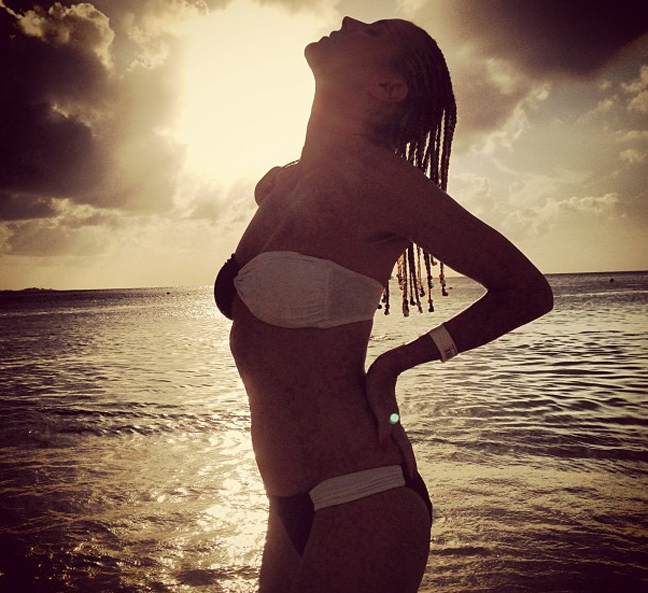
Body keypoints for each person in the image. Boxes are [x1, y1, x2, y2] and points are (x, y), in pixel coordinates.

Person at [214, 16, 553, 593]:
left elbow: (527, 291)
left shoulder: (384, 181)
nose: (349, 20)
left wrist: (395, 363)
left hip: (363, 494)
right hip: (285, 501)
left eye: (371, 32)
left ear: (388, 88)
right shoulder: (279, 185)